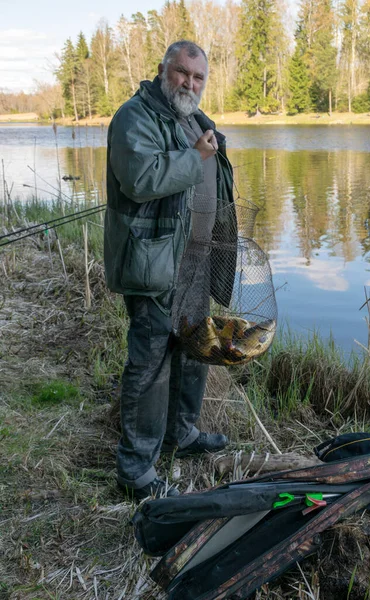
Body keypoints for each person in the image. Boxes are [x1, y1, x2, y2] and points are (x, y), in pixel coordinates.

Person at [104, 40, 235, 500]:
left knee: (195, 349)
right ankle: (137, 470)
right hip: (154, 262)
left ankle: (182, 432)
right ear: (163, 70)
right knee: (151, 364)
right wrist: (197, 156)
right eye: (182, 73)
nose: (189, 84)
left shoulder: (194, 121)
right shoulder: (135, 116)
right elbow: (139, 179)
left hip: (195, 260)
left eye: (198, 78)